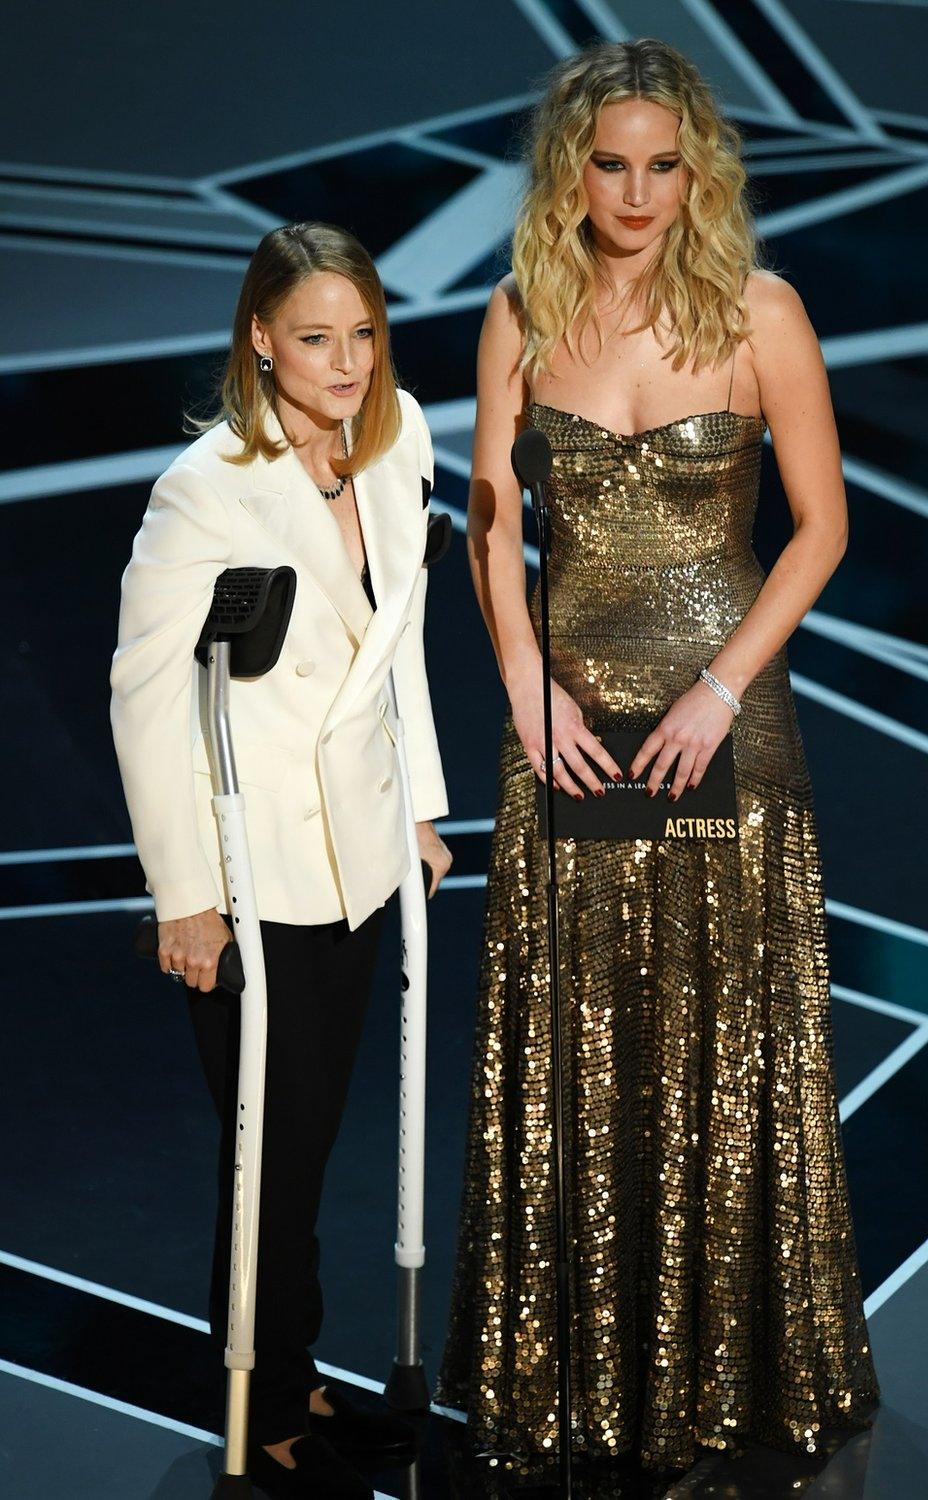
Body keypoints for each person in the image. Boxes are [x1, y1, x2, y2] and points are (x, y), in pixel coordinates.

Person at [435, 39, 879, 1481]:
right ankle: (574, 1377)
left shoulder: (762, 313)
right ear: (572, 170)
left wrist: (718, 685)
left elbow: (820, 527)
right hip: (558, 727)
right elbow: (491, 522)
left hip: (721, 724)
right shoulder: (519, 313)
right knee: (575, 1048)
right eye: (610, 164)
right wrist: (523, 684)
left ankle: (724, 1381)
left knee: (721, 1046)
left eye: (663, 165)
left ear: (701, 170)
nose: (635, 194)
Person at [109, 221, 452, 1499]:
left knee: (306, 1144)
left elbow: (396, 644)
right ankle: (257, 1405)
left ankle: (298, 1374)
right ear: (261, 338)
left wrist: (417, 802)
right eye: (316, 338)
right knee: (270, 1146)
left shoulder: (397, 438)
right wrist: (185, 895)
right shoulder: (208, 489)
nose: (348, 361)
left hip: (357, 856)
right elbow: (148, 699)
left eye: (362, 333)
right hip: (254, 879)